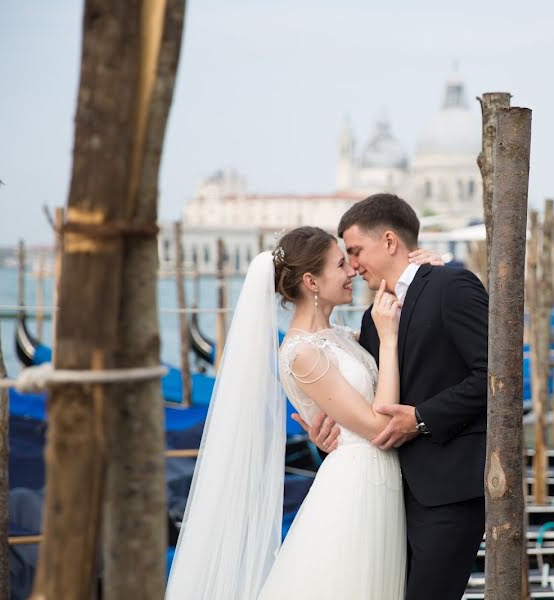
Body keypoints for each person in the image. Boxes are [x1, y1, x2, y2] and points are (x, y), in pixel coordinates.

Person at [165, 226, 445, 599]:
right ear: (312, 281)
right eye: (341, 264)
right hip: (356, 482)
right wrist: (389, 338)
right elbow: (379, 425)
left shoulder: (344, 336)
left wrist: (428, 270)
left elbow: (408, 332)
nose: (352, 272)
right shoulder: (302, 354)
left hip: (379, 477)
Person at [297, 193, 489, 600]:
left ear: (388, 242)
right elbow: (368, 398)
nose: (352, 265)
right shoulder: (371, 319)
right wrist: (333, 430)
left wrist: (420, 418)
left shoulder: (451, 284)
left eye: (355, 251)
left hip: (447, 494)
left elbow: (497, 378)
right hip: (386, 499)